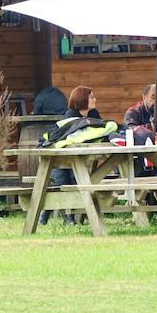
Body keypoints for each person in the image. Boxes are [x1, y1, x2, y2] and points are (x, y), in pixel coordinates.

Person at [38, 86, 98, 227]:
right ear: (83, 100)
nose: (95, 99)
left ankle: (46, 214)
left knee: (74, 178)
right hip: (59, 158)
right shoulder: (70, 115)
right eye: (92, 97)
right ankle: (67, 216)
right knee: (65, 180)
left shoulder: (94, 114)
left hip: (79, 158)